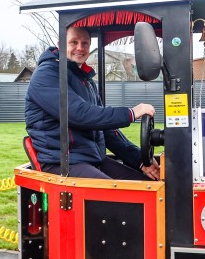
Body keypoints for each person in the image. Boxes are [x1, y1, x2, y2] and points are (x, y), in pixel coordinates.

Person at [25, 25, 160, 180]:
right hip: (61, 162)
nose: (80, 48)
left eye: (85, 43)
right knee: (121, 197)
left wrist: (140, 160)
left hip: (89, 159)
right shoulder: (46, 74)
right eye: (73, 42)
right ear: (61, 44)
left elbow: (105, 129)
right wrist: (131, 113)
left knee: (144, 184)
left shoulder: (85, 80)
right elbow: (80, 114)